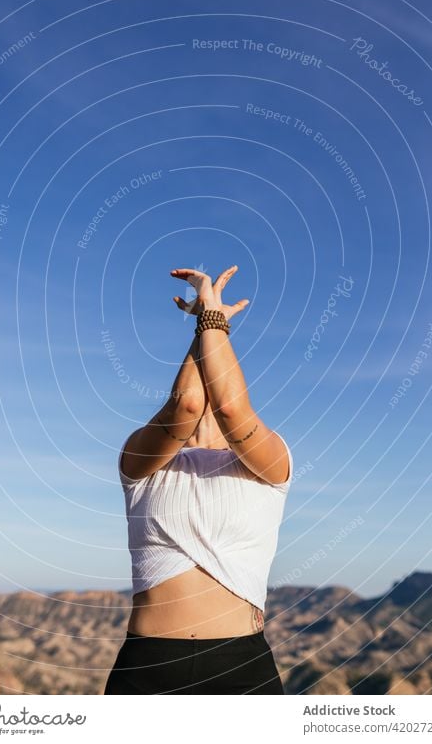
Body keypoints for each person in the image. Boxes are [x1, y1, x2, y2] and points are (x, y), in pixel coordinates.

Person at [104, 265, 293, 694]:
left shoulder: (271, 464)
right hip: (149, 667)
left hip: (241, 667)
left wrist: (211, 318)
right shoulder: (142, 464)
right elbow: (187, 403)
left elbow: (230, 408)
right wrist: (206, 320)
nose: (210, 383)